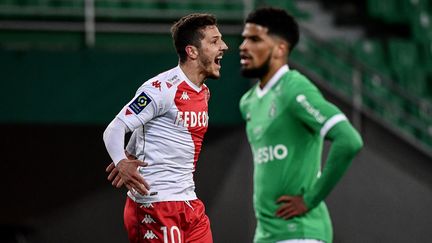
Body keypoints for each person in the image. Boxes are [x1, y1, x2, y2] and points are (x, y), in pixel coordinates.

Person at [238, 7, 363, 243]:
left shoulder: (294, 87)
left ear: (280, 48)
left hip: (300, 232)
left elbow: (349, 140)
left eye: (254, 39)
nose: (244, 46)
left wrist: (310, 199)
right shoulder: (248, 102)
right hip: (266, 234)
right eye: (244, 38)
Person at [103, 13, 228, 242]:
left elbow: (149, 128)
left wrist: (130, 151)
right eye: (214, 41)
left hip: (189, 203)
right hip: (156, 205)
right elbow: (115, 128)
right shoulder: (161, 88)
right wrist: (121, 161)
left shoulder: (203, 93)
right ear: (192, 51)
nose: (224, 46)